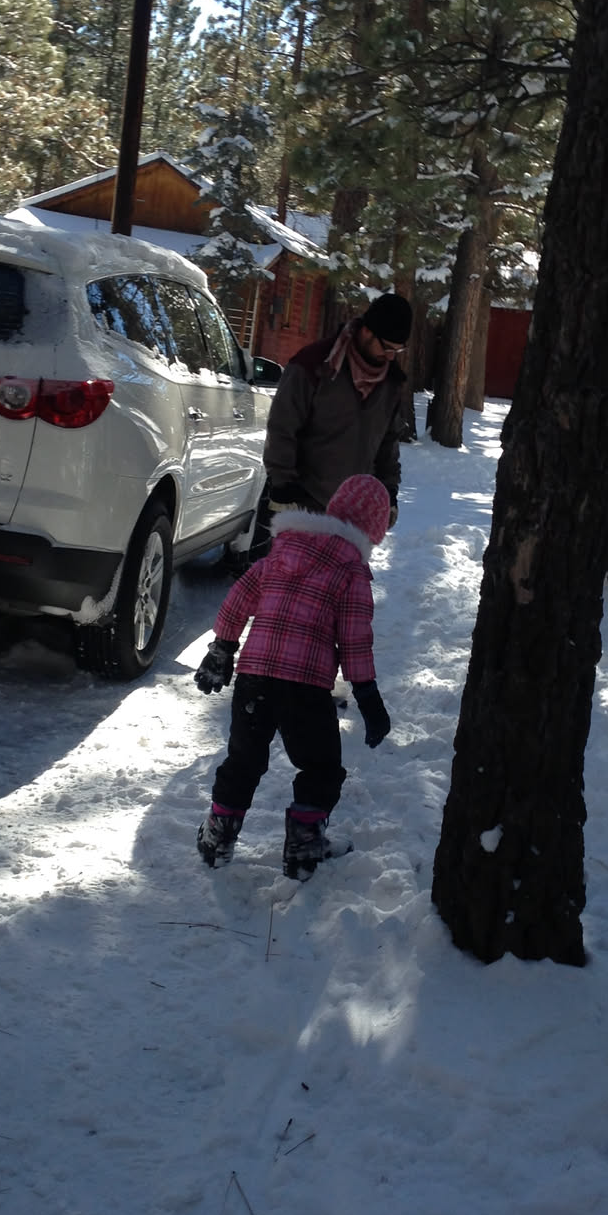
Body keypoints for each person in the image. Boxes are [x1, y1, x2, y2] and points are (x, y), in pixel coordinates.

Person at [193, 472, 393, 881]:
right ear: (374, 530)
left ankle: (218, 836)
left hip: (254, 678)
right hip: (305, 688)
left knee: (243, 759)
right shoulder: (352, 570)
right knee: (320, 767)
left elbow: (239, 598)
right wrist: (367, 694)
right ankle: (304, 845)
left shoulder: (283, 550)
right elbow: (354, 638)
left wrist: (222, 648)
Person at [263, 291, 413, 529]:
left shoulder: (390, 383)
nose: (390, 356)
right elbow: (282, 426)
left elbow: (388, 443)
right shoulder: (314, 365)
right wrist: (283, 485)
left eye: (397, 350)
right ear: (367, 332)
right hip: (303, 504)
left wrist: (389, 492)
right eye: (386, 347)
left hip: (355, 513)